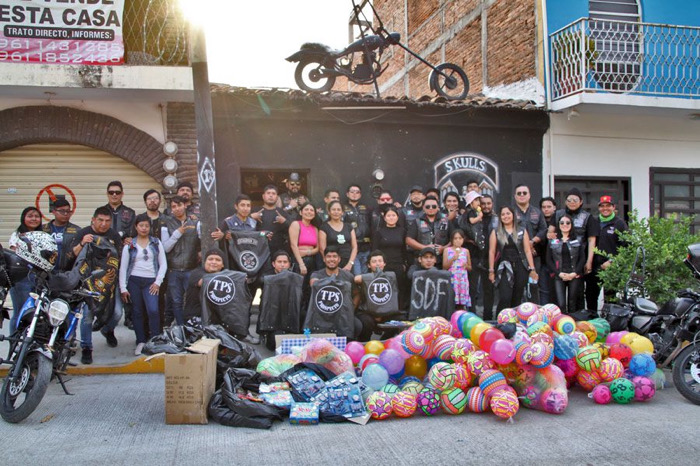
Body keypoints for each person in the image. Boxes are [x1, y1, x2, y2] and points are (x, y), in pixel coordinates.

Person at [71, 207, 124, 364]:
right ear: (93, 219)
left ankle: (107, 330)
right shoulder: (84, 232)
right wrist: (83, 243)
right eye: (100, 220)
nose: (103, 224)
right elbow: (74, 253)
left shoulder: (113, 235)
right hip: (88, 282)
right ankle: (87, 347)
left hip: (108, 282)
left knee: (117, 313)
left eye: (107, 221)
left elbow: (119, 256)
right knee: (87, 317)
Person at [119, 214, 167, 355]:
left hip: (150, 281)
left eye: (147, 226)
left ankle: (155, 340)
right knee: (137, 311)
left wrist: (157, 282)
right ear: (136, 227)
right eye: (141, 225)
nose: (144, 228)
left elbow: (163, 264)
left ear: (150, 227)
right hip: (134, 281)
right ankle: (140, 341)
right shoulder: (130, 244)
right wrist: (123, 287)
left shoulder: (156, 242)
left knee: (153, 310)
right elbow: (123, 267)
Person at [550, 188, 599, 310]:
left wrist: (589, 261)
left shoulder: (587, 217)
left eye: (575, 200)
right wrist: (550, 235)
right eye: (569, 200)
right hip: (559, 260)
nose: (572, 202)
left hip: (578, 261)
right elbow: (550, 233)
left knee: (577, 296)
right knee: (558, 299)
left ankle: (577, 323)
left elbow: (591, 240)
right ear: (565, 202)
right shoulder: (557, 215)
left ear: (581, 202)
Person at [488, 206, 538, 310]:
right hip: (504, 267)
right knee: (505, 297)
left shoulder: (522, 230)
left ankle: (514, 323)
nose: (506, 216)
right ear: (500, 217)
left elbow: (527, 250)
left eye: (508, 213)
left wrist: (532, 269)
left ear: (513, 215)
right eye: (503, 214)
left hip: (521, 266)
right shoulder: (496, 231)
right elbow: (492, 251)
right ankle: (501, 321)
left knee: (517, 297)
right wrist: (491, 271)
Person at [162, 195, 201, 326]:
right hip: (174, 269)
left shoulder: (196, 222)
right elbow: (166, 248)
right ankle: (180, 328)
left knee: (192, 301)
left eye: (179, 205)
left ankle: (191, 328)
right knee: (176, 302)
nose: (177, 209)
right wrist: (178, 232)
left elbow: (203, 241)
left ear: (185, 205)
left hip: (191, 268)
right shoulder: (166, 223)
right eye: (173, 206)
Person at [7, 206, 43, 333]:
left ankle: (28, 344)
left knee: (34, 313)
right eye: (30, 216)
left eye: (36, 216)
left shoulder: (44, 235)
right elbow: (15, 253)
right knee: (20, 312)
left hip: (38, 278)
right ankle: (15, 343)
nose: (34, 219)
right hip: (20, 278)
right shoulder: (17, 235)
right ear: (24, 218)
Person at [591, 195, 628, 308]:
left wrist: (612, 262)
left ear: (613, 207)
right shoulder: (594, 221)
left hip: (611, 267)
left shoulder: (620, 224)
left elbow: (626, 247)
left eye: (608, 206)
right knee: (591, 296)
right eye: (602, 206)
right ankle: (593, 322)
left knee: (610, 298)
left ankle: (609, 323)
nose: (605, 208)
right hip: (594, 266)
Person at [547, 214, 586, 313]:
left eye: (568, 222)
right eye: (562, 223)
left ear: (572, 225)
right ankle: (562, 325)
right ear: (558, 225)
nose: (565, 225)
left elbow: (582, 258)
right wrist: (558, 273)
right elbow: (548, 260)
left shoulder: (578, 240)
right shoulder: (552, 241)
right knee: (561, 304)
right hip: (559, 275)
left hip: (573, 274)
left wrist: (575, 273)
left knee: (573, 303)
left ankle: (572, 324)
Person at [372, 206, 408, 309]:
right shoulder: (379, 232)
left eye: (393, 215)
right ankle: (384, 310)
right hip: (383, 265)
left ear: (397, 217)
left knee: (399, 288)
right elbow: (375, 250)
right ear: (384, 218)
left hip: (398, 264)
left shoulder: (402, 231)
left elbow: (404, 249)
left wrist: (404, 264)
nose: (391, 218)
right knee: (385, 288)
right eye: (389, 215)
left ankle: (399, 310)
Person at [289, 202, 320, 310]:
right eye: (306, 209)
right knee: (299, 291)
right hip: (299, 261)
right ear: (301, 212)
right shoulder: (296, 224)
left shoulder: (315, 228)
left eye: (312, 210)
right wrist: (301, 264)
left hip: (311, 260)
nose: (309, 212)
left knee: (309, 290)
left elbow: (317, 248)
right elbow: (293, 245)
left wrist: (307, 252)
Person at [458, 191, 485, 311]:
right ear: (471, 203)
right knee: (469, 285)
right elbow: (472, 222)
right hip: (469, 254)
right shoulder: (471, 213)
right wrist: (479, 217)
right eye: (476, 200)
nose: (479, 203)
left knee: (473, 285)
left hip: (477, 253)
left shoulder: (474, 212)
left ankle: (472, 309)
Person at [183, 248, 226, 322]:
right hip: (195, 318)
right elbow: (206, 282)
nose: (214, 262)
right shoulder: (196, 273)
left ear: (223, 265)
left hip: (216, 320)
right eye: (210, 259)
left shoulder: (226, 276)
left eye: (218, 260)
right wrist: (234, 280)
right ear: (205, 262)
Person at [513, 184, 548, 272]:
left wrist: (532, 242)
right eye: (519, 193)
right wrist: (525, 244)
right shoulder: (510, 213)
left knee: (534, 283)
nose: (522, 195)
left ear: (529, 195)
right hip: (516, 255)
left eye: (524, 193)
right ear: (515, 196)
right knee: (518, 284)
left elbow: (543, 230)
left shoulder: (537, 212)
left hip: (535, 254)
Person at [249, 184, 291, 256]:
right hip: (257, 249)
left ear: (277, 197)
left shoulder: (282, 213)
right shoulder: (255, 211)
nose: (271, 195)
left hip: (278, 251)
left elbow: (294, 229)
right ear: (263, 196)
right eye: (268, 193)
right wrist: (250, 217)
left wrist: (285, 222)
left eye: (273, 194)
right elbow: (242, 223)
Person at [406, 197, 450, 263]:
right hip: (422, 260)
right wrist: (424, 247)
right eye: (427, 206)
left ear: (438, 207)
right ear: (423, 208)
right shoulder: (416, 221)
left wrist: (444, 248)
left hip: (442, 260)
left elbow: (455, 238)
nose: (431, 208)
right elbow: (408, 240)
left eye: (434, 206)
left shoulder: (446, 221)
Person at [43, 198, 80, 272]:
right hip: (45, 272)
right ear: (54, 212)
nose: (66, 214)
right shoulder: (43, 229)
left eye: (68, 211)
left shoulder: (77, 230)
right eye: (62, 211)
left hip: (68, 273)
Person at [319, 200, 357, 270]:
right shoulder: (324, 227)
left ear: (342, 212)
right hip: (332, 263)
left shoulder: (349, 227)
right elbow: (322, 249)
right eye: (333, 209)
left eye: (338, 210)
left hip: (348, 263)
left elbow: (354, 247)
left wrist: (350, 264)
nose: (336, 212)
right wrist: (331, 263)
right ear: (329, 212)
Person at [343, 184, 372, 275]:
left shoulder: (367, 208)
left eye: (357, 192)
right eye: (352, 192)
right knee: (356, 275)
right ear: (347, 194)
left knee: (365, 276)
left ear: (360, 194)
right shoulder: (342, 208)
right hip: (352, 248)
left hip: (366, 247)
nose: (354, 194)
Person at [443, 229, 472, 310]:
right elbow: (444, 267)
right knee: (451, 300)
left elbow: (470, 268)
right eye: (455, 238)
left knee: (461, 303)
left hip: (462, 279)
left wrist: (466, 266)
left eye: (460, 238)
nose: (458, 240)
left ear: (463, 239)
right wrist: (453, 258)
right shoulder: (447, 250)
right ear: (452, 240)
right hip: (452, 278)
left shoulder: (466, 251)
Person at [102, 181, 135, 245]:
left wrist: (131, 239)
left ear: (122, 194)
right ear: (107, 194)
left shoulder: (131, 213)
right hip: (104, 249)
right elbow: (94, 230)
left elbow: (135, 234)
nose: (114, 195)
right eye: (111, 192)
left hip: (124, 249)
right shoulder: (100, 211)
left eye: (117, 192)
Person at [538, 196, 557, 305]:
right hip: (542, 263)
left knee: (557, 293)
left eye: (549, 206)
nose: (546, 209)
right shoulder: (538, 223)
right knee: (544, 292)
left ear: (554, 207)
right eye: (543, 207)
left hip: (557, 264)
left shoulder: (561, 221)